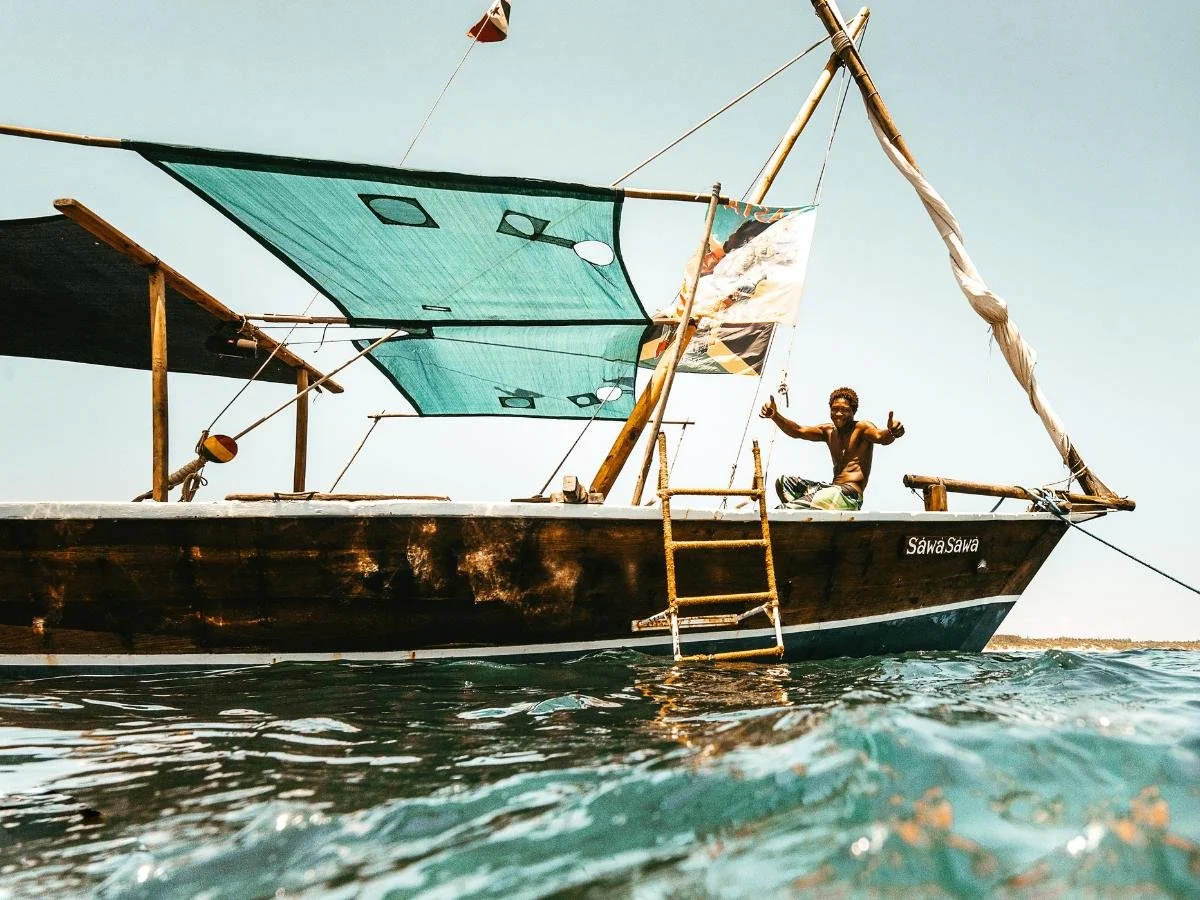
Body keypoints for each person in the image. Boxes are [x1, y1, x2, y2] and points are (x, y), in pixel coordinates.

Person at [759, 386, 904, 510]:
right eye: (835, 409)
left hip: (849, 495)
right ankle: (809, 518)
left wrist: (892, 431)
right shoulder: (828, 431)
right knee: (784, 483)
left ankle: (798, 511)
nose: (839, 414)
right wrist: (775, 416)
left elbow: (881, 437)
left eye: (845, 410)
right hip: (832, 490)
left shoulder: (862, 428)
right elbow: (798, 431)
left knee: (784, 510)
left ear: (853, 412)